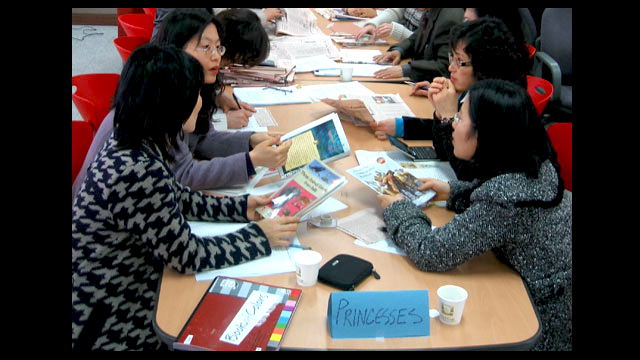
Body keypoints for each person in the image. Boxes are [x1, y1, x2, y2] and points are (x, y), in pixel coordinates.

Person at [72, 44, 300, 350]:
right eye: (195, 95)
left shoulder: (136, 139)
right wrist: (259, 237)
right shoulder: (136, 170)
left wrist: (242, 207)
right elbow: (187, 255)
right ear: (171, 103)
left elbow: (178, 196)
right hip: (110, 318)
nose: (200, 102)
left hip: (115, 291)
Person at [376, 79, 572, 351]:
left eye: (460, 117)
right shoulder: (533, 166)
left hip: (540, 322)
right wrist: (453, 190)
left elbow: (429, 252)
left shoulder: (506, 199)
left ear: (486, 135)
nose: (453, 124)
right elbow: (494, 189)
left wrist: (397, 207)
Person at [371, 17, 528, 181]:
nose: (450, 67)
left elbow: (467, 174)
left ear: (484, 64)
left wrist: (448, 118)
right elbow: (442, 149)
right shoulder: (471, 94)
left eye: (460, 61)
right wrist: (440, 114)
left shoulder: (499, 107)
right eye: (451, 58)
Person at [372, 8, 463, 81]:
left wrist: (407, 69)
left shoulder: (450, 18)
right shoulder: (431, 10)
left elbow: (444, 66)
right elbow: (416, 37)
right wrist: (399, 50)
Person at [354, 8, 426, 42]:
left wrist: (399, 31)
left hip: (419, 59)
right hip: (403, 48)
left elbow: (427, 44)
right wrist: (373, 24)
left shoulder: (435, 13)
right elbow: (395, 12)